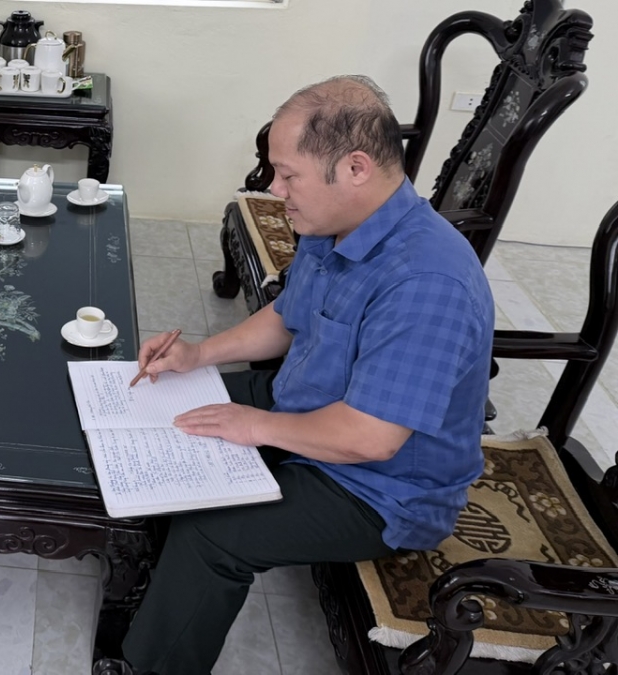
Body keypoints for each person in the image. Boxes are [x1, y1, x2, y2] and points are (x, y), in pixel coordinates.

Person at [120, 75, 494, 674]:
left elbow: (370, 438)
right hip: (302, 405)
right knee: (161, 406)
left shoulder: (427, 282)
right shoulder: (338, 224)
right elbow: (287, 317)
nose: (275, 189)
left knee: (212, 536)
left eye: (288, 174)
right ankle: (141, 584)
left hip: (378, 487)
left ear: (354, 167)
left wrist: (255, 426)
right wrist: (197, 355)